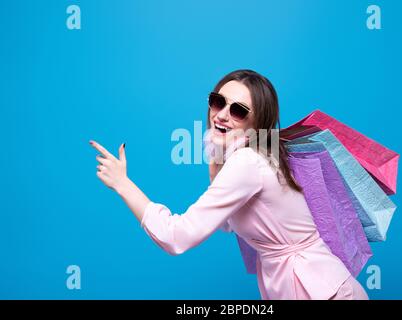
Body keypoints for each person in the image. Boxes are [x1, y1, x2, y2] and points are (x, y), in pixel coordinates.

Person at [89, 69, 369, 300]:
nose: (221, 114)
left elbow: (176, 237)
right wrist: (216, 167)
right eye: (217, 102)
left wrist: (122, 184)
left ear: (257, 122)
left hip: (321, 292)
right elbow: (227, 223)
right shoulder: (258, 155)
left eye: (238, 110)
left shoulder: (247, 162)